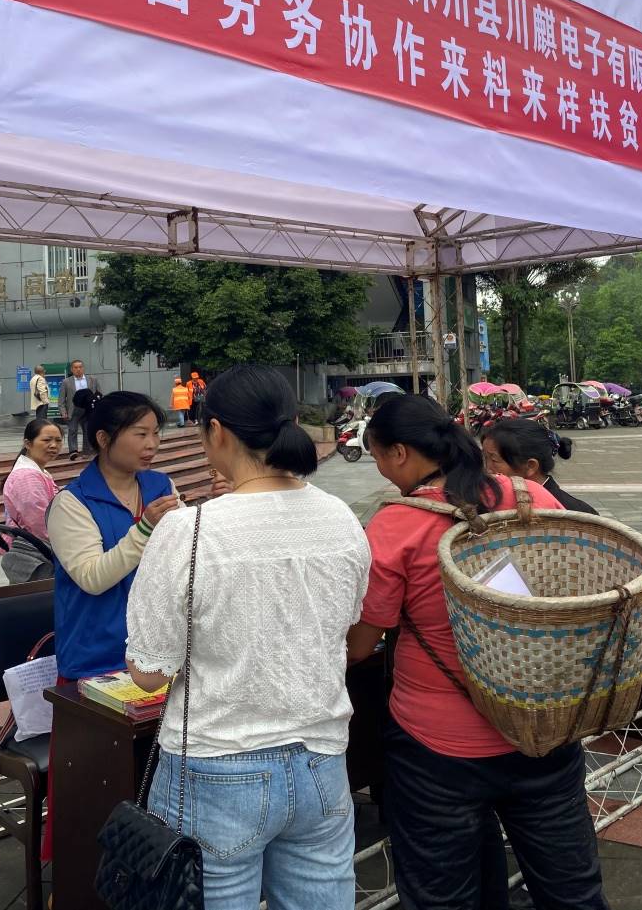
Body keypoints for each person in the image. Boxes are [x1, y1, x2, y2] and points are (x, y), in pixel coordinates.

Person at [347, 394, 608, 910]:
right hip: (541, 724)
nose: (379, 468)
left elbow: (360, 644)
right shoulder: (530, 495)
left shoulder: (395, 526)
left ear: (399, 453)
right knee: (572, 890)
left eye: (376, 455)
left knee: (445, 896)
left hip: (437, 748)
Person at [126, 365, 371, 910]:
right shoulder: (340, 518)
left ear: (217, 432)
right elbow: (347, 626)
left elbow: (148, 673)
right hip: (322, 760)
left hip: (214, 764)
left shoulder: (188, 530)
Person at [46, 391, 181, 682]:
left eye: (156, 433)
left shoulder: (161, 486)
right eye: (140, 434)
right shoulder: (73, 502)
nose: (152, 444)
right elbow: (92, 578)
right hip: (97, 662)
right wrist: (145, 529)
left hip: (159, 656)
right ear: (104, 439)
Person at [482, 417, 599, 515]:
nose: (487, 469)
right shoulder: (485, 505)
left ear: (530, 466)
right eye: (485, 458)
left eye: (494, 460)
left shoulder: (578, 515)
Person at [0, 418, 62, 583]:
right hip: (36, 556)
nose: (54, 445)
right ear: (28, 443)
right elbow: (39, 524)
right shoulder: (27, 477)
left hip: (37, 551)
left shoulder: (37, 472)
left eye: (58, 440)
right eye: (47, 440)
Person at [59, 358, 101, 460]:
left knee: (87, 430)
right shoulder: (66, 382)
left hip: (88, 409)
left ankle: (87, 452)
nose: (78, 369)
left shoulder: (92, 380)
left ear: (83, 368)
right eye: (76, 367)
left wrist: (98, 408)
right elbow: (61, 399)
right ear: (72, 369)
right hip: (74, 409)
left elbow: (99, 394)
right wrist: (63, 412)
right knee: (72, 430)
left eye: (80, 367)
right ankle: (73, 451)